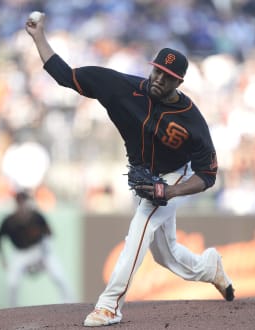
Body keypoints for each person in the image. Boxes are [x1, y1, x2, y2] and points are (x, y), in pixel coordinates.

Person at [25, 13, 235, 327]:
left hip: (171, 176)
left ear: (179, 82)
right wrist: (38, 36)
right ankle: (209, 268)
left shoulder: (191, 119)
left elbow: (208, 174)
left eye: (167, 76)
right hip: (143, 175)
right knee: (166, 255)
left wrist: (173, 190)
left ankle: (109, 306)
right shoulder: (121, 88)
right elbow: (65, 76)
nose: (159, 79)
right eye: (157, 71)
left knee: (137, 233)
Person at [0, 191, 74, 307]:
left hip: (40, 251)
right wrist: (3, 259)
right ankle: (12, 309)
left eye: (24, 202)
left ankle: (70, 304)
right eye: (20, 203)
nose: (22, 206)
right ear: (16, 204)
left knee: (59, 276)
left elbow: (50, 233)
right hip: (20, 254)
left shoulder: (36, 217)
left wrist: (45, 249)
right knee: (12, 282)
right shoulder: (9, 221)